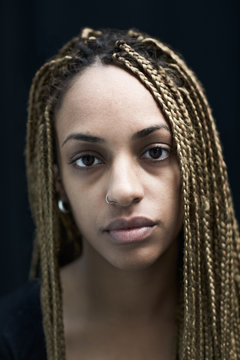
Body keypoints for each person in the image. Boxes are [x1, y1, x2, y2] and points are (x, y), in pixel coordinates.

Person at [0, 27, 239, 360]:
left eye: (155, 152)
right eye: (87, 159)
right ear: (59, 184)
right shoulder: (11, 339)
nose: (123, 191)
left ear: (194, 169)